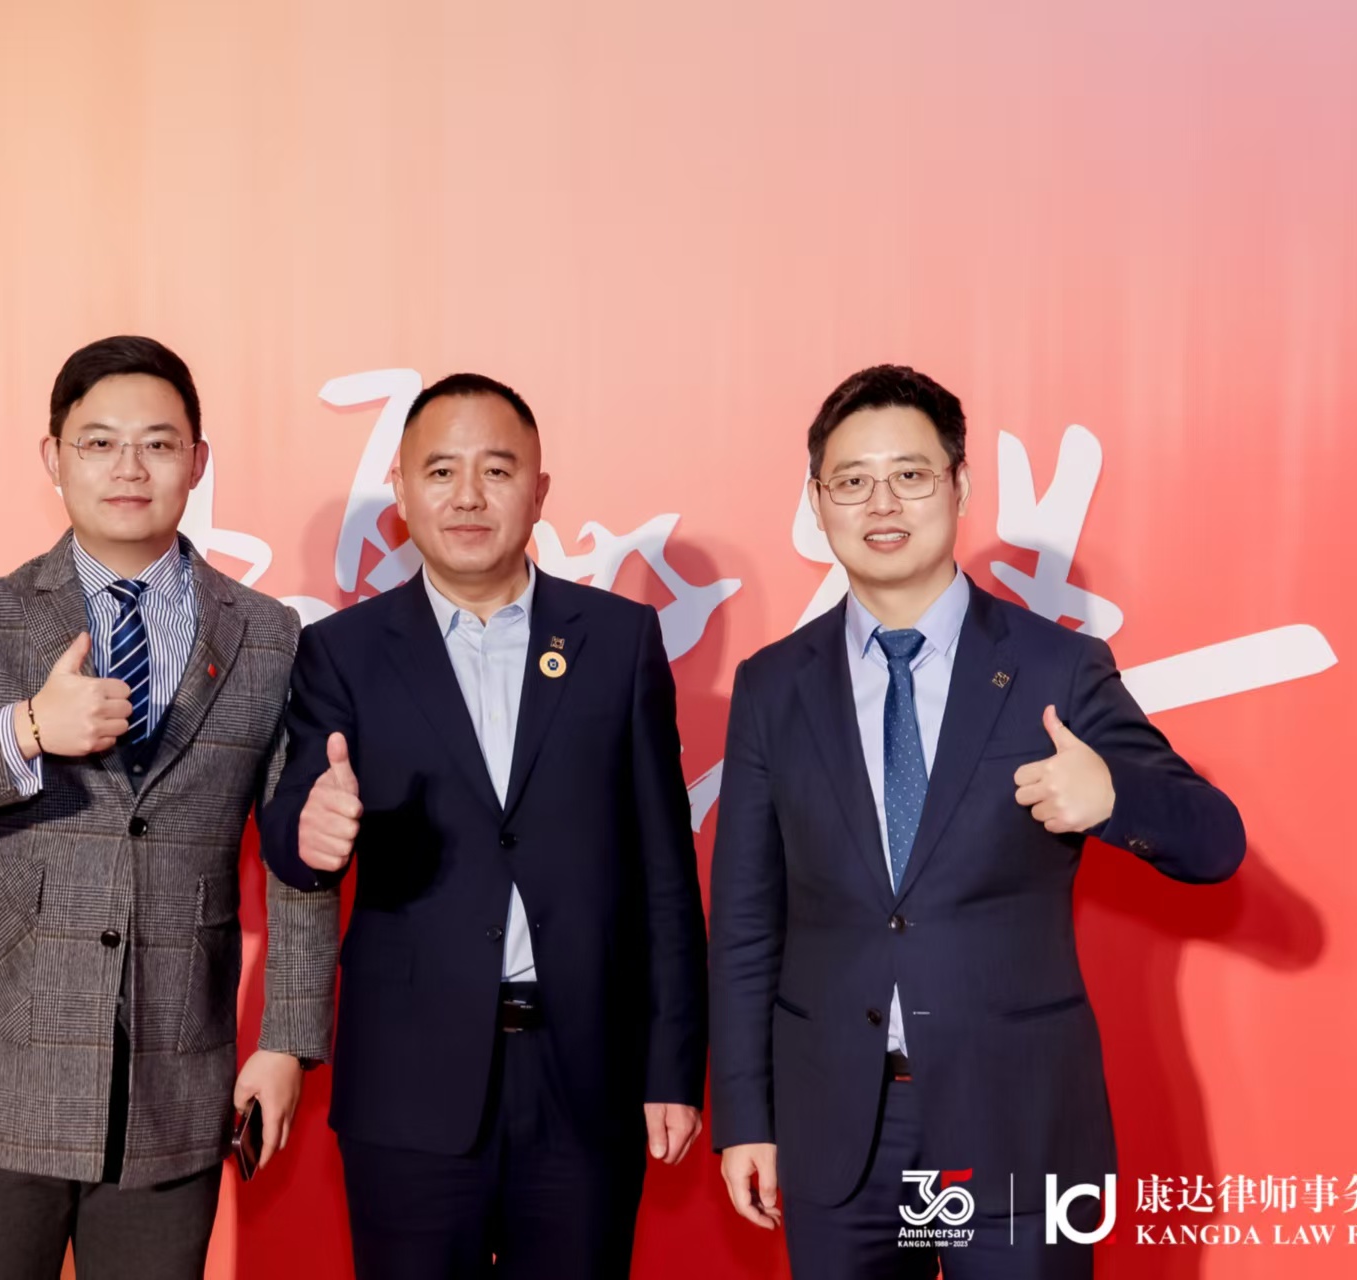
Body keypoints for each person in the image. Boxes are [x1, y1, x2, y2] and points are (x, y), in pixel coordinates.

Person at [708, 364, 1245, 1278]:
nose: (882, 502)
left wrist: (1113, 798)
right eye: (852, 480)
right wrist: (745, 1117)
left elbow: (1214, 840)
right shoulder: (772, 685)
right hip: (834, 1123)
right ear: (817, 500)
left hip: (1015, 1119)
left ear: (958, 486)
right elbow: (746, 923)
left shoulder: (1056, 667)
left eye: (910, 474)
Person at [0, 335, 337, 1278]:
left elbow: (295, 856)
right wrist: (24, 729)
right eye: (99, 442)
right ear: (53, 458)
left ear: (198, 460)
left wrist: (286, 1041)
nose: (129, 468)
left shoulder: (267, 637)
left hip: (173, 1085)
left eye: (158, 443)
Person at [260, 373, 708, 1278]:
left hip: (585, 1079)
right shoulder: (342, 651)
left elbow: (665, 872)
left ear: (539, 491)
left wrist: (672, 1066)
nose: (467, 496)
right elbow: (293, 822)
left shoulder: (618, 640)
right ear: (400, 489)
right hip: (409, 1082)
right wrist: (309, 834)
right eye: (441, 471)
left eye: (496, 471)